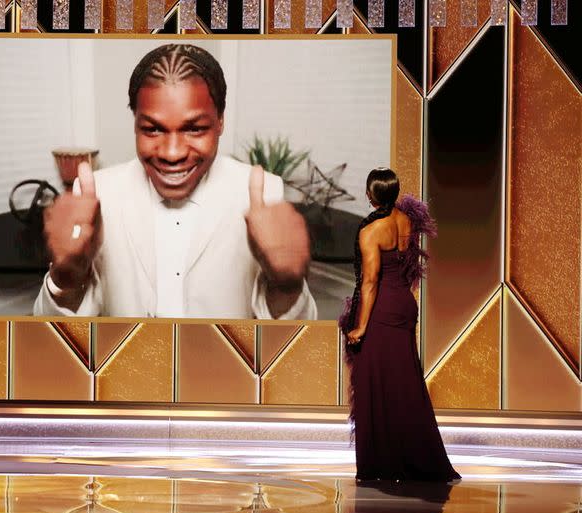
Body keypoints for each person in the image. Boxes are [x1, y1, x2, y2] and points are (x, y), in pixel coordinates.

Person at [33, 44, 317, 320]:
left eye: (194, 129)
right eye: (152, 129)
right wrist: (65, 279)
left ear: (220, 122)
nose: (172, 153)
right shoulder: (96, 194)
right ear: (135, 124)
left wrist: (286, 286)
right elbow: (58, 342)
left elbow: (288, 347)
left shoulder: (264, 193)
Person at [340, 168, 459, 482]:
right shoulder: (406, 222)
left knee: (373, 383)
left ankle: (381, 463)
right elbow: (403, 268)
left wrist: (360, 327)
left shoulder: (371, 231)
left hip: (381, 309)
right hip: (404, 304)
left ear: (371, 194)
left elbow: (369, 282)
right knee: (404, 385)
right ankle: (413, 458)